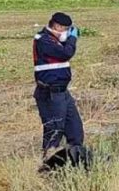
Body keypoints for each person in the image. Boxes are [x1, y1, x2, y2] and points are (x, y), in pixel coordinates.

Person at [33, 12, 84, 160]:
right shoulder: (43, 40)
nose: (67, 32)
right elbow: (66, 53)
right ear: (56, 26)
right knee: (54, 130)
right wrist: (73, 38)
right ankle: (48, 163)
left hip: (62, 92)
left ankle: (76, 160)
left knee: (75, 128)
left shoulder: (57, 40)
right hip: (49, 92)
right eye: (65, 29)